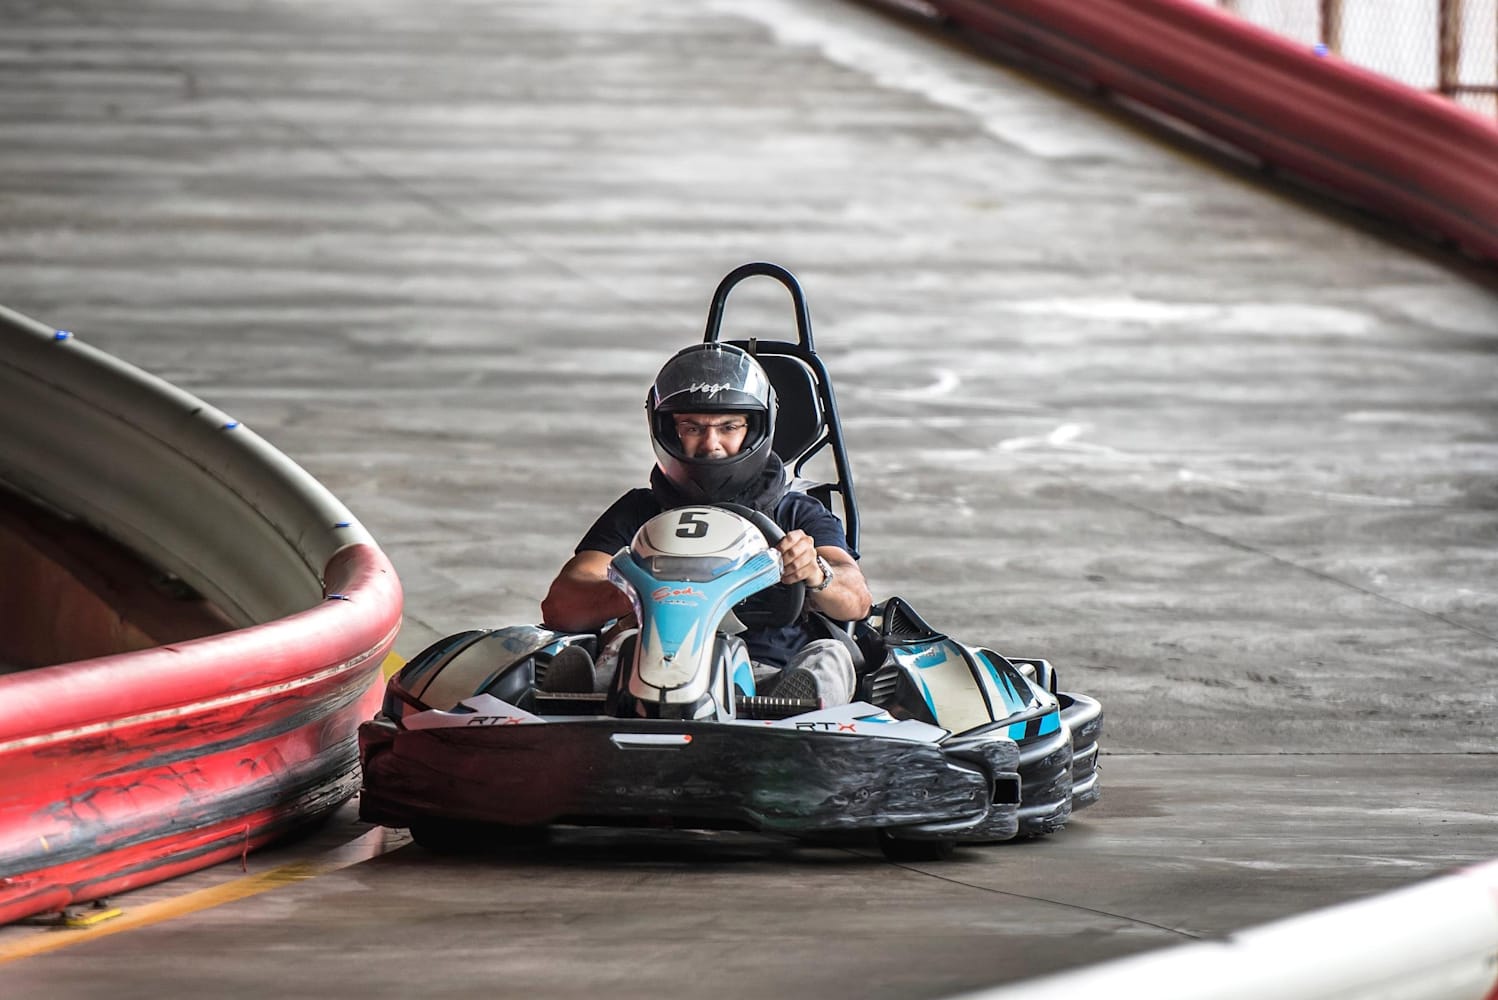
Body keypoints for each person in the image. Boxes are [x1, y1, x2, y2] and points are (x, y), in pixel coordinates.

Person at [540, 342, 872, 706]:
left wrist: (815, 571)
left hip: (769, 681)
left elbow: (856, 600)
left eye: (729, 427)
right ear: (668, 430)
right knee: (619, 644)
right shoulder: (639, 510)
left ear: (755, 429)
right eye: (692, 427)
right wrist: (645, 588)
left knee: (829, 655)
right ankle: (579, 701)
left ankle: (798, 722)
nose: (711, 444)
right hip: (649, 668)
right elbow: (561, 605)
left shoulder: (797, 513)